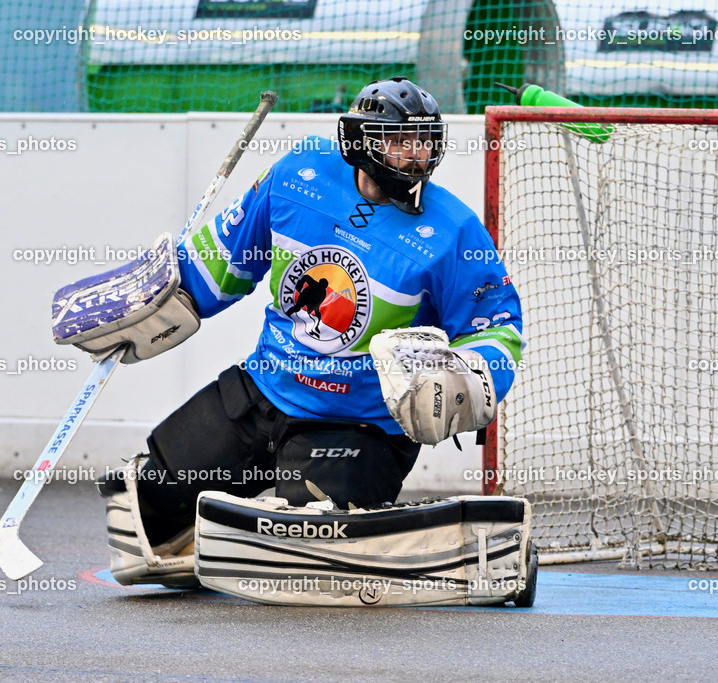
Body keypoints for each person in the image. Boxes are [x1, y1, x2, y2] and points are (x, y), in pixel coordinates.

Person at [86, 77, 524, 587]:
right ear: (362, 141)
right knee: (143, 513)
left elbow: (497, 326)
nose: (416, 155)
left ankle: (331, 530)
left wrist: (469, 376)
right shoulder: (299, 174)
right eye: (400, 141)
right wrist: (154, 300)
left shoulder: (453, 230)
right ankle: (200, 536)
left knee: (302, 543)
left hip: (361, 426)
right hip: (262, 391)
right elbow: (225, 264)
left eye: (424, 140)